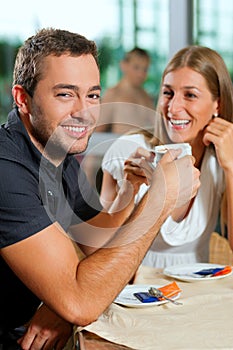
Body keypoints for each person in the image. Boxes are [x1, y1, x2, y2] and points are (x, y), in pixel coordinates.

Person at [0, 28, 200, 349]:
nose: (84, 111)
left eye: (92, 95)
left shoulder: (57, 151)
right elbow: (82, 303)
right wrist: (162, 198)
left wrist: (128, 193)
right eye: (65, 94)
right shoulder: (6, 169)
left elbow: (97, 243)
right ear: (23, 99)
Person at [100, 45, 233, 268]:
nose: (173, 107)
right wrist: (129, 189)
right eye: (167, 93)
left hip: (197, 294)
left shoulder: (220, 159)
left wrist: (231, 166)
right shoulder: (127, 151)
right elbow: (99, 249)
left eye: (190, 95)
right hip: (134, 293)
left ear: (217, 104)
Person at [95, 47, 155, 134]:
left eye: (145, 69)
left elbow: (157, 127)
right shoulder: (113, 94)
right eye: (136, 67)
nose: (141, 74)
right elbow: (97, 131)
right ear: (124, 65)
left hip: (145, 146)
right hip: (121, 145)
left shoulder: (145, 95)